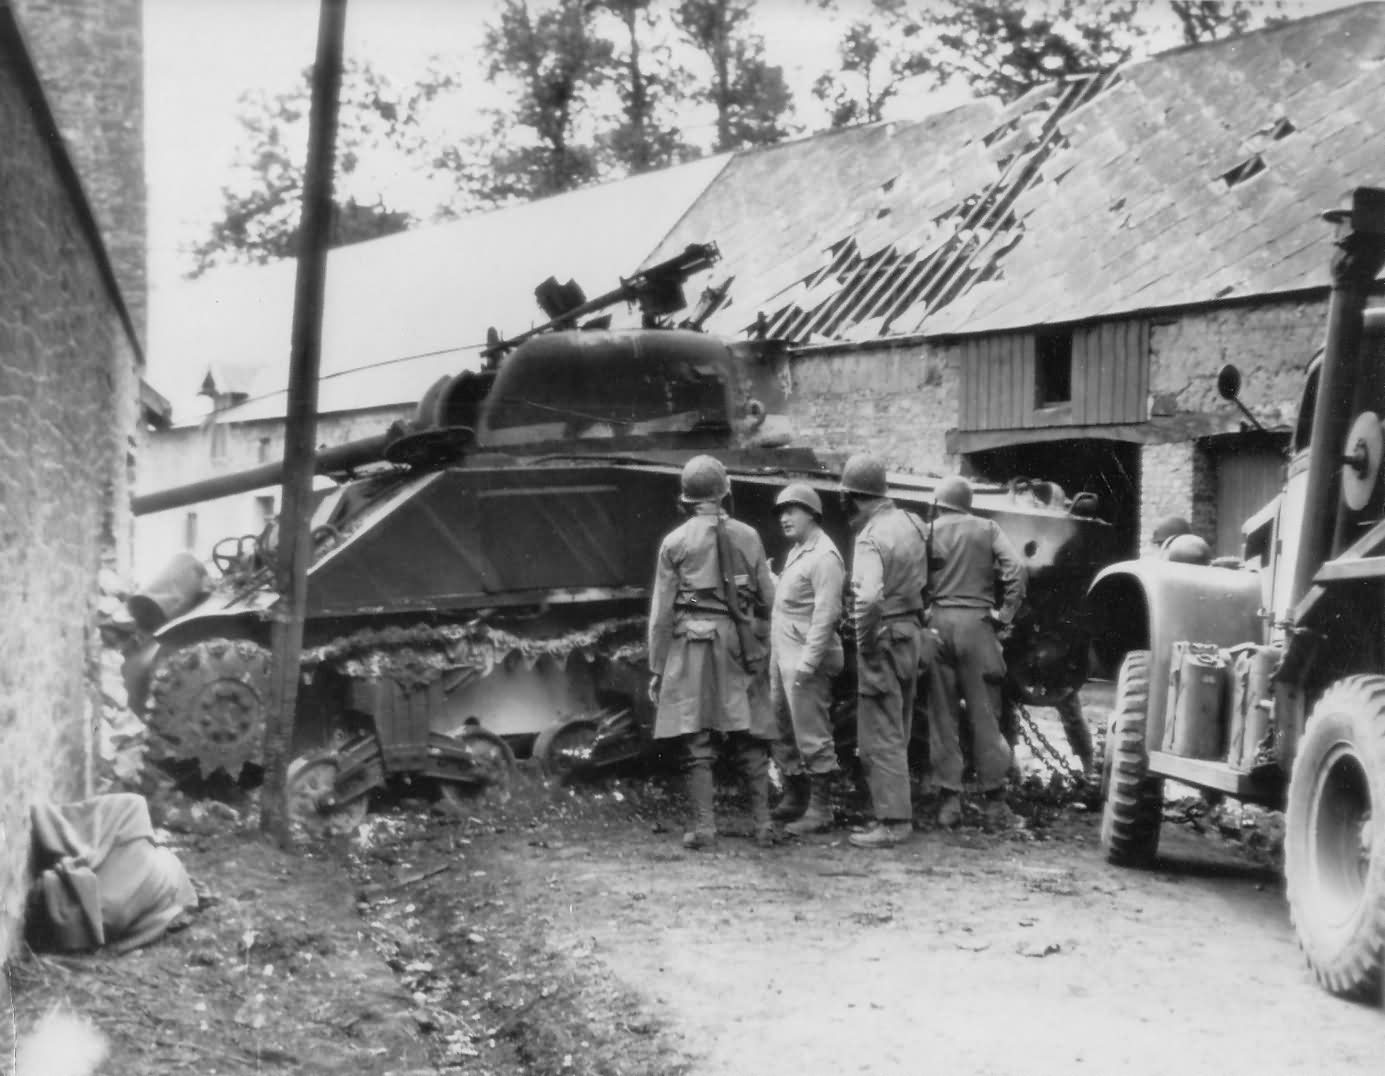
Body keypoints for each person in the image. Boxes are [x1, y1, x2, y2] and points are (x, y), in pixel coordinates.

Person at [648, 454, 777, 850]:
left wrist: (657, 666)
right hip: (740, 640)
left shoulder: (675, 542)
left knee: (697, 734)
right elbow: (768, 596)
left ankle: (705, 828)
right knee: (751, 731)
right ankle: (763, 824)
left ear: (687, 498)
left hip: (693, 644)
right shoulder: (749, 535)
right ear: (723, 494)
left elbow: (662, 613)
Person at [925, 475, 1027, 829]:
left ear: (940, 502)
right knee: (985, 716)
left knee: (942, 717)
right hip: (977, 626)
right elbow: (1016, 568)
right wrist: (1005, 615)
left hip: (937, 624)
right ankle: (994, 804)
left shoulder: (929, 529)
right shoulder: (987, 528)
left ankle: (949, 803)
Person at [839, 453, 928, 849]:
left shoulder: (871, 536)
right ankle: (893, 810)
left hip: (884, 636)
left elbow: (869, 596)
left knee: (881, 732)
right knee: (900, 725)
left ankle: (893, 822)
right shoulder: (912, 522)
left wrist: (863, 639)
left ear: (854, 498)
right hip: (911, 630)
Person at [767, 482, 845, 836]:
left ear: (812, 514)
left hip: (804, 657)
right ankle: (796, 794)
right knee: (781, 724)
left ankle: (821, 808)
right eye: (781, 512)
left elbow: (826, 617)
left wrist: (808, 665)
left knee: (811, 731)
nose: (784, 518)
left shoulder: (825, 557)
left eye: (792, 510)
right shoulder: (798, 551)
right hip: (783, 654)